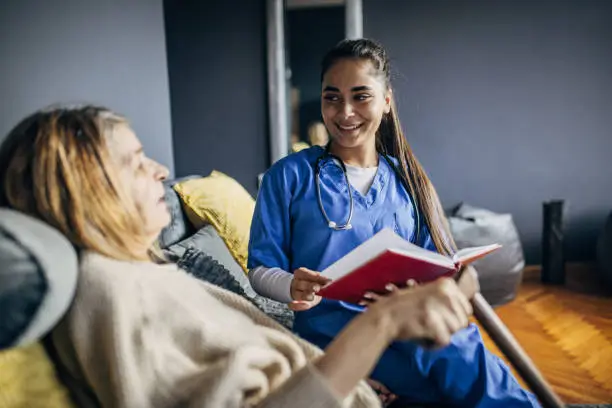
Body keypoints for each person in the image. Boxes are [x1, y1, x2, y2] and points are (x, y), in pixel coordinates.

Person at [0, 104, 481, 408]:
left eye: (362, 96)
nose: (160, 171)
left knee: (460, 356)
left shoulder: (142, 270)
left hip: (347, 384)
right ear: (86, 189)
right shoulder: (109, 291)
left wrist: (345, 376)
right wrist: (383, 324)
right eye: (136, 161)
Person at [248, 38, 540, 407]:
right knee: (453, 357)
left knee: (456, 349)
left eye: (360, 96)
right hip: (334, 335)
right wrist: (293, 285)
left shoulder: (408, 179)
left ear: (386, 102)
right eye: (332, 97)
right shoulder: (287, 176)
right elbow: (260, 270)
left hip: (407, 326)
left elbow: (438, 263)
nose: (345, 112)